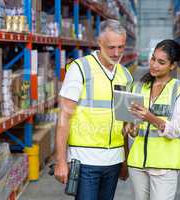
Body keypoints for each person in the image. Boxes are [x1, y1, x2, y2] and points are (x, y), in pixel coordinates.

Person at [54, 19, 133, 200]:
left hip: (114, 160)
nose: (116, 53)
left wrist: (125, 160)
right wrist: (60, 161)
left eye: (121, 47)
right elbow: (64, 117)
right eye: (111, 47)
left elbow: (125, 122)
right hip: (85, 160)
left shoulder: (125, 75)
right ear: (99, 43)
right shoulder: (80, 69)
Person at [125, 39, 180, 200]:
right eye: (153, 59)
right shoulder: (139, 87)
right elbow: (134, 130)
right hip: (138, 164)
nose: (154, 65)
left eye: (161, 62)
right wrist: (131, 129)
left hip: (164, 166)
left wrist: (150, 117)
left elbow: (176, 130)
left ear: (172, 65)